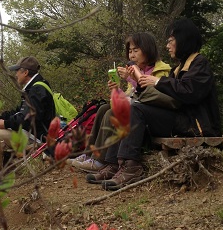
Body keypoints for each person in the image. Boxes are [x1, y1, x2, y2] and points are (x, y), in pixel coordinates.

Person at [86, 18, 222, 190]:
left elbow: (189, 92)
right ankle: (113, 164)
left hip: (195, 125)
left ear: (183, 40)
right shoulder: (180, 68)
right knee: (127, 109)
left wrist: (157, 82)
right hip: (179, 119)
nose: (167, 46)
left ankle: (131, 167)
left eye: (171, 41)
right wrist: (142, 85)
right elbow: (168, 98)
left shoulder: (199, 64)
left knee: (135, 109)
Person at [71, 32, 171, 172]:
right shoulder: (136, 70)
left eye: (136, 51)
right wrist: (116, 89)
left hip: (147, 117)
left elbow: (152, 97)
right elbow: (128, 99)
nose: (132, 55)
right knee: (103, 108)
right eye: (130, 51)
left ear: (148, 50)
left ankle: (100, 160)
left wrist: (132, 79)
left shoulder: (161, 71)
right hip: (135, 111)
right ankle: (89, 154)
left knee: (111, 113)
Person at [0, 56, 56, 174]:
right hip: (31, 134)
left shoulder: (37, 89)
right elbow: (19, 111)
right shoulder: (35, 87)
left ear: (25, 72)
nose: (16, 74)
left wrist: (6, 124)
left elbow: (29, 119)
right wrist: (0, 118)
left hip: (37, 138)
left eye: (17, 71)